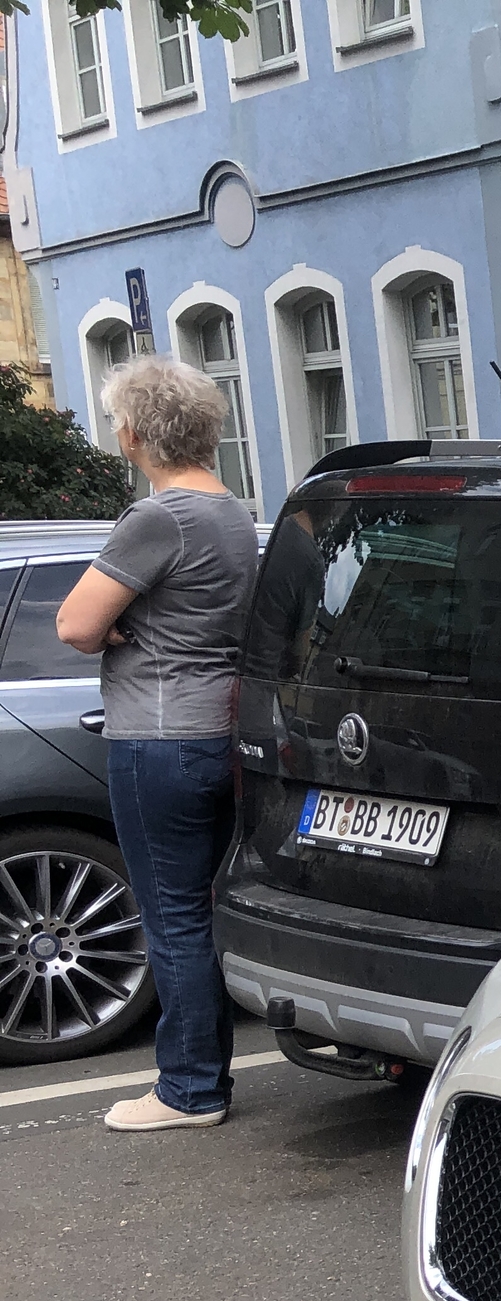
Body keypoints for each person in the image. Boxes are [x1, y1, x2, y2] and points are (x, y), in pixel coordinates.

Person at [57, 356, 259, 1131]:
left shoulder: (158, 518)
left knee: (170, 914)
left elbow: (75, 624)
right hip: (220, 731)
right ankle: (204, 1075)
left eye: (117, 424)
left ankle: (189, 1089)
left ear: (136, 433)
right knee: (200, 910)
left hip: (158, 737)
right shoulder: (233, 512)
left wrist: (118, 628)